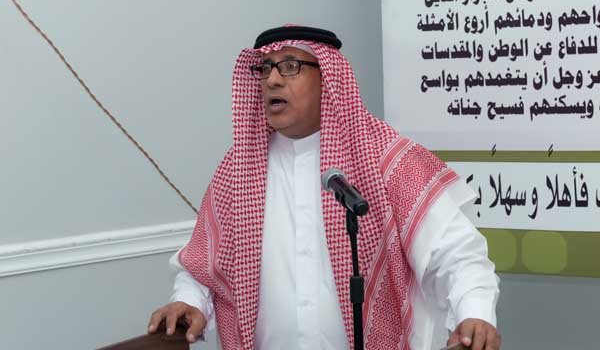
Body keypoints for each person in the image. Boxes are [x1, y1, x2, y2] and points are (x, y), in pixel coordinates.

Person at [147, 25, 501, 350]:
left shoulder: (386, 160)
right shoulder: (238, 169)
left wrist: (474, 312)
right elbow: (204, 266)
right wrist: (188, 301)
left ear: (328, 79)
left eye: (289, 66)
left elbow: (456, 254)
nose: (272, 80)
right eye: (265, 68)